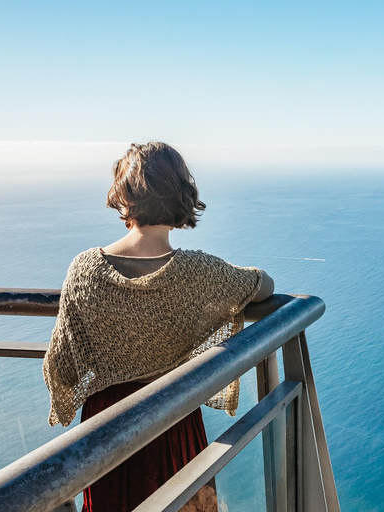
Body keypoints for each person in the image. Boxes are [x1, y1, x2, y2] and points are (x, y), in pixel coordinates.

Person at [42, 141, 275, 512]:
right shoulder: (199, 272)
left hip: (104, 428)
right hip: (172, 415)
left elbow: (64, 365)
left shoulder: (83, 269)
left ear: (124, 197)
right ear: (181, 196)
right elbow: (264, 286)